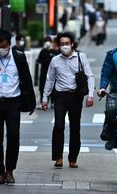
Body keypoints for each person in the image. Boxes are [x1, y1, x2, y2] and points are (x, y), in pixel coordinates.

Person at [0, 28, 36, 185]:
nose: (1, 50)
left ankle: (10, 170)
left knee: (13, 136)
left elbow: (26, 78)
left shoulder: (18, 56)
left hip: (13, 102)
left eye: (4, 46)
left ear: (9, 44)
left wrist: (31, 101)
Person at [41, 32, 95, 168]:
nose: (65, 46)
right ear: (58, 45)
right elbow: (50, 79)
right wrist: (44, 98)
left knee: (75, 127)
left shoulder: (81, 57)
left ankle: (73, 158)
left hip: (76, 96)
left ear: (72, 44)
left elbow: (90, 76)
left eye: (67, 44)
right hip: (60, 95)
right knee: (58, 126)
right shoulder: (55, 60)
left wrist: (90, 95)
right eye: (62, 44)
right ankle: (58, 157)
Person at [37, 37, 60, 105]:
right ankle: (43, 101)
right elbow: (39, 61)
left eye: (49, 41)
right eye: (46, 41)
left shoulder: (54, 51)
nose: (48, 42)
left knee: (53, 87)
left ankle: (53, 102)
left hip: (53, 73)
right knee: (43, 87)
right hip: (44, 72)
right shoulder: (43, 51)